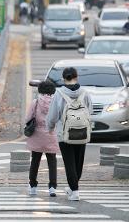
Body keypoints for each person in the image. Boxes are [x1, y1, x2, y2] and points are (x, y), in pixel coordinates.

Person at [47, 67, 92, 201]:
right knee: (78, 162)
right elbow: (90, 111)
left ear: (63, 78)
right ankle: (73, 186)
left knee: (69, 162)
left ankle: (75, 190)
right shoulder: (85, 93)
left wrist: (50, 127)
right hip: (82, 132)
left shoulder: (59, 94)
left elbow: (53, 114)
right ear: (76, 77)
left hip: (64, 133)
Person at [26, 81, 59, 197]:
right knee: (52, 161)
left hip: (37, 135)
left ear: (40, 90)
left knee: (35, 161)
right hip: (51, 134)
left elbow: (28, 118)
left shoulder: (35, 103)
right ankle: (52, 187)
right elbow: (58, 118)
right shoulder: (55, 102)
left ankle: (33, 186)